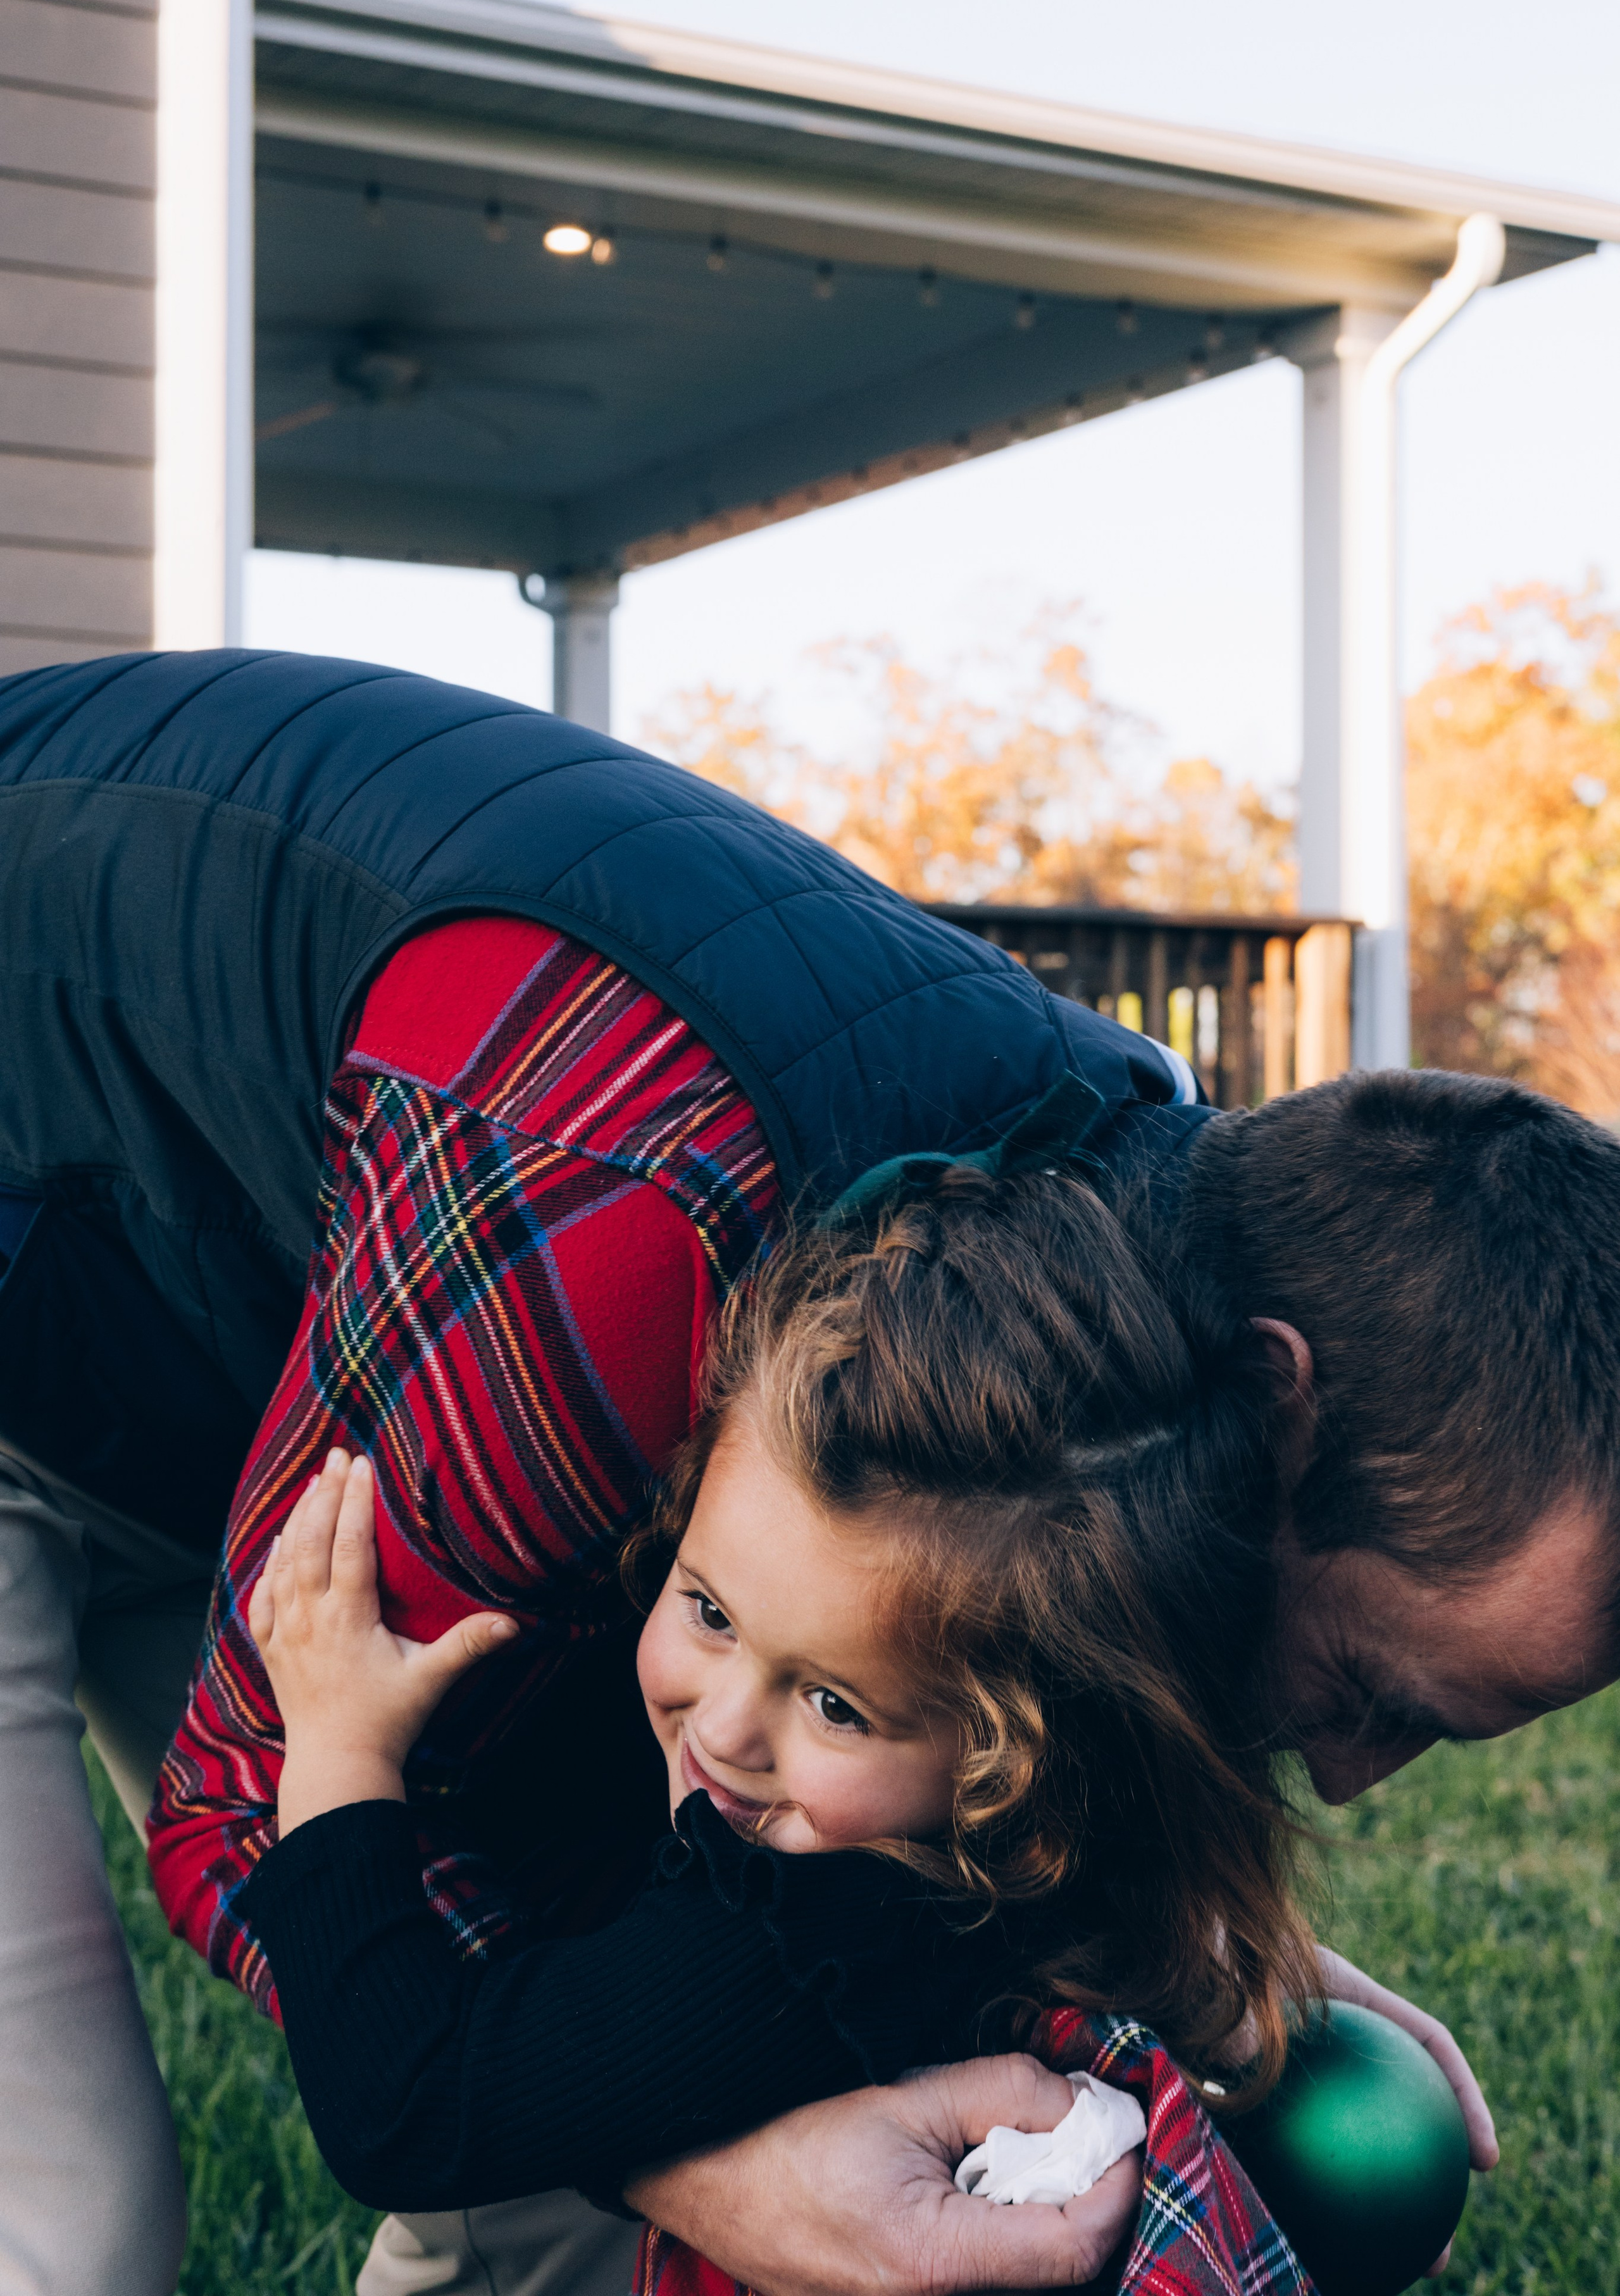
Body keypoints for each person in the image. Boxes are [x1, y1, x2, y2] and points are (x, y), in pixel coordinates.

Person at [0, 644, 1588, 2294]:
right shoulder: (643, 1231)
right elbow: (258, 1797)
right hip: (95, 1281)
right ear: (1268, 1416)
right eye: (1375, 1692)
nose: (1347, 1779)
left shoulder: (1081, 1282)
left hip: (257, 1350)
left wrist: (1146, 1932)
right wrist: (716, 2175)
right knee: (69, 2222)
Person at [237, 1161, 1322, 2296]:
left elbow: (410, 2107)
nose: (722, 1729)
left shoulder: (801, 1947)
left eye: (835, 1706)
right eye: (709, 1612)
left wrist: (338, 1751)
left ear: (1022, 1764)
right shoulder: (1068, 1864)